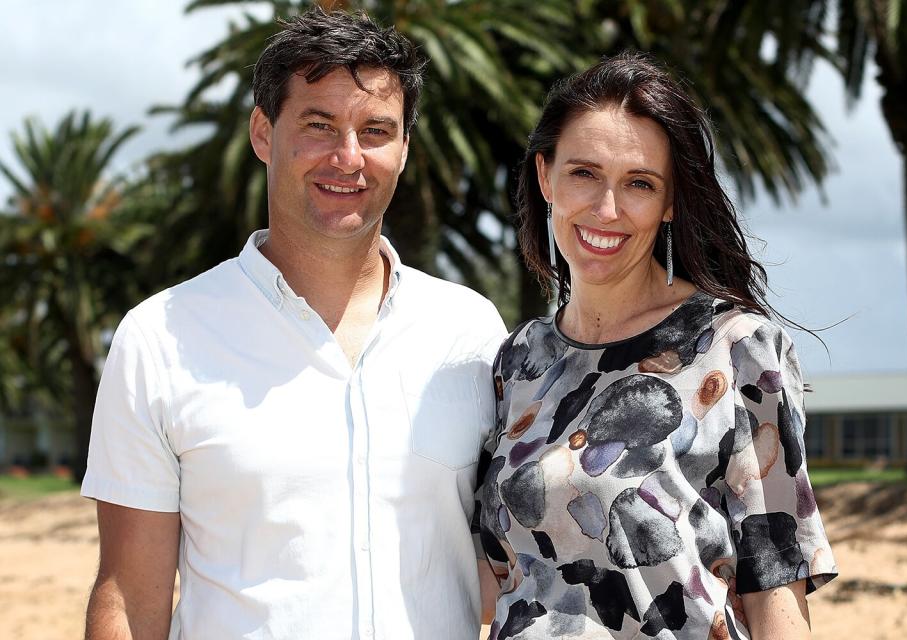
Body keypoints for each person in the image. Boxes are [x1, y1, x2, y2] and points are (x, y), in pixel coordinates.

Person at [82, 9, 506, 639]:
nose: (348, 156)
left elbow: (500, 569)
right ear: (263, 132)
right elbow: (129, 596)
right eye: (319, 125)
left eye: (376, 130)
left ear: (405, 147)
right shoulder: (160, 337)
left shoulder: (470, 332)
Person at [475, 53, 838, 639]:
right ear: (545, 177)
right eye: (583, 174)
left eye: (639, 183)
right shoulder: (517, 363)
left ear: (671, 202)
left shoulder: (737, 349)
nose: (607, 209)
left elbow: (776, 582)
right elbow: (494, 573)